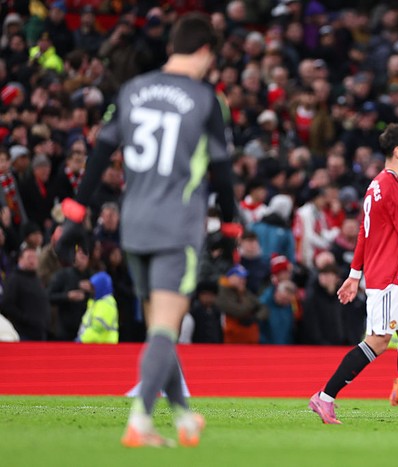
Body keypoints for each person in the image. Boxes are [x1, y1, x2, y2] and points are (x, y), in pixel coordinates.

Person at [56, 13, 241, 448]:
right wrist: (230, 224)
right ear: (204, 52)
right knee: (165, 326)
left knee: (162, 322)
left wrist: (75, 215)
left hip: (133, 225)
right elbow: (223, 172)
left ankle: (182, 415)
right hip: (177, 226)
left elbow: (100, 153)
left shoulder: (132, 89)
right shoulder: (205, 99)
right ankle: (140, 418)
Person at [309, 123, 398, 426]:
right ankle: (324, 397)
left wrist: (353, 274)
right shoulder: (393, 187)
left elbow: (365, 233)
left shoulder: (377, 185)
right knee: (377, 340)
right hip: (388, 276)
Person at [76, 271, 119, 344]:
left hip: (103, 347)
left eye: (93, 287)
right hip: (94, 345)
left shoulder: (106, 304)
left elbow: (97, 329)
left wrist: (81, 339)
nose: (91, 290)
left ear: (100, 287)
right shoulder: (96, 302)